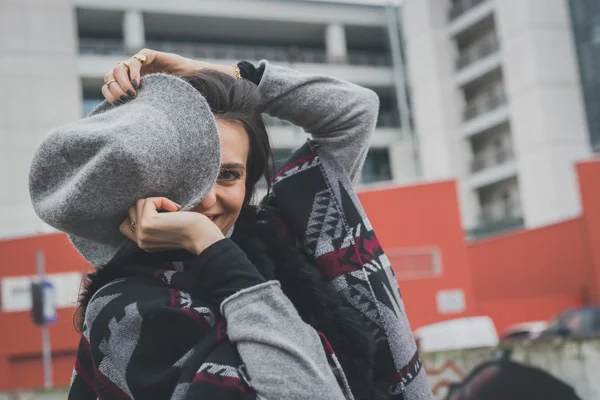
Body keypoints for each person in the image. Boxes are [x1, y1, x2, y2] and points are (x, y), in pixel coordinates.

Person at [29, 49, 433, 400]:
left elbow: (354, 110)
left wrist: (228, 74)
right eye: (190, 176)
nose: (207, 199)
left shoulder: (285, 237)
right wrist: (211, 248)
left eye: (227, 176)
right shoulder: (124, 309)